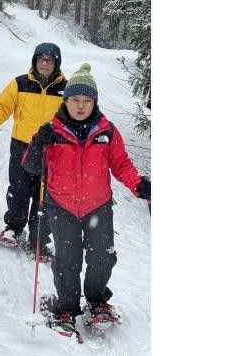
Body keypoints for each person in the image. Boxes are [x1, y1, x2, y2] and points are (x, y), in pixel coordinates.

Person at [21, 63, 151, 333]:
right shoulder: (51, 131)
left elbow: (121, 164)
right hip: (62, 206)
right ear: (65, 101)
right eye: (75, 100)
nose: (81, 106)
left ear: (95, 103)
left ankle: (97, 300)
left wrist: (138, 185)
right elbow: (31, 167)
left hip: (98, 207)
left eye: (87, 100)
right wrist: (37, 144)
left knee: (102, 257)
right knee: (68, 260)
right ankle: (66, 306)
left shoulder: (107, 131)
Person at [0, 43, 67, 260]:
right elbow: (3, 108)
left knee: (43, 196)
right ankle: (13, 228)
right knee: (18, 189)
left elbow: (74, 116)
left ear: (56, 63)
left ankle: (38, 240)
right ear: (35, 61)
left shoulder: (66, 88)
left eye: (49, 59)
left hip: (50, 150)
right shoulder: (20, 83)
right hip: (21, 146)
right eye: (41, 58)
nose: (44, 63)